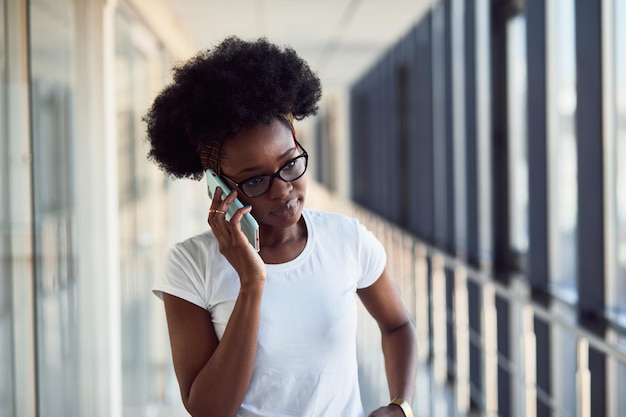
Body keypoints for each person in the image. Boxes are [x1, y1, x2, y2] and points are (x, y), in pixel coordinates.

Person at [145, 36, 417, 417]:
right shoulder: (190, 264)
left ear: (297, 142)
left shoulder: (347, 239)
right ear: (218, 187)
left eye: (290, 163)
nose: (284, 189)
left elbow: (398, 325)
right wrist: (252, 284)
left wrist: (399, 405)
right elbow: (208, 410)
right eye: (255, 180)